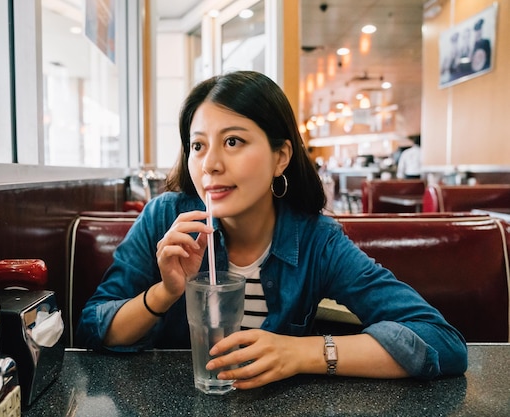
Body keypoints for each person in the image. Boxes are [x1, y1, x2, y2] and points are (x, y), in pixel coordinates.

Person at [76, 71, 467, 389]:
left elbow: (441, 341)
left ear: (280, 156)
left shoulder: (316, 240)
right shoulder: (165, 220)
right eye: (197, 146)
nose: (209, 164)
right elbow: (92, 328)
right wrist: (165, 293)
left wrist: (301, 353)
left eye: (233, 141)